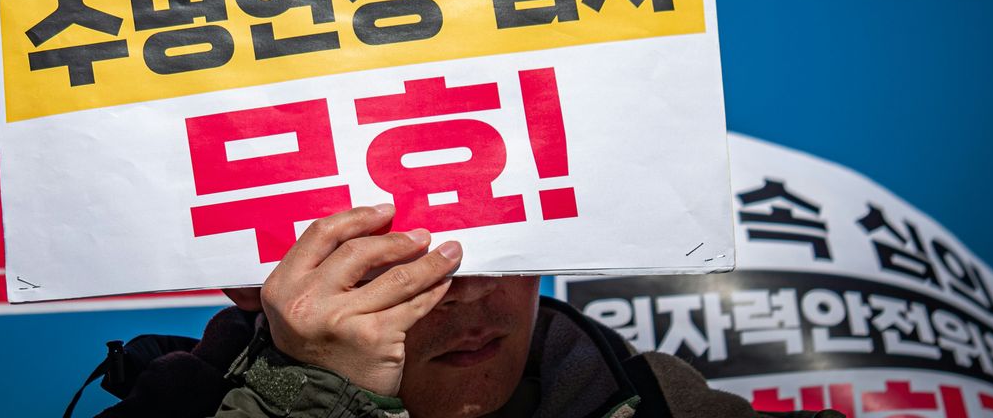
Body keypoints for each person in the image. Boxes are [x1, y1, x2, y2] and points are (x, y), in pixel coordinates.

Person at [79, 204, 844, 418]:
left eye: (503, 245)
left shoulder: (670, 407)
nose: (475, 290)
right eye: (396, 257)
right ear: (263, 285)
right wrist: (316, 400)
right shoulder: (173, 404)